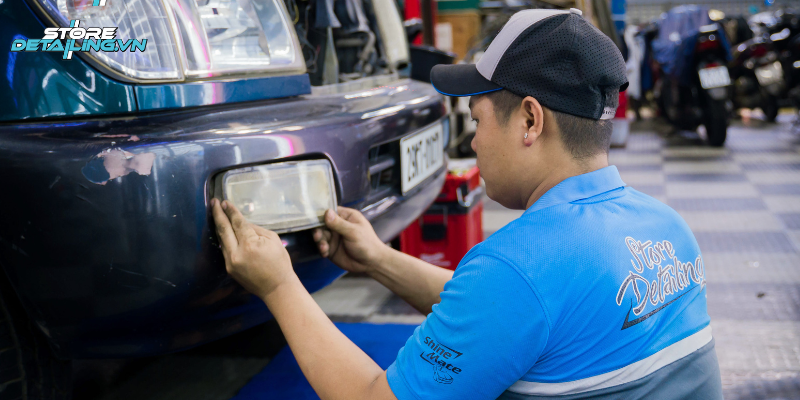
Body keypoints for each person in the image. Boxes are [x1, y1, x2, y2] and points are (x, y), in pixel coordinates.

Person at [210, 8, 722, 400]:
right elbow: (506, 315)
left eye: (478, 120)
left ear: (530, 121)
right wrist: (379, 260)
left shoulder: (520, 265)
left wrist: (278, 285)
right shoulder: (667, 226)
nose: (473, 142)